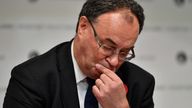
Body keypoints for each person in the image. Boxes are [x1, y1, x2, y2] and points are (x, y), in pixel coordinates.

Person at [3, 0, 155, 108]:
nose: (115, 62)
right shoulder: (32, 79)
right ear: (83, 27)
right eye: (108, 47)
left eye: (124, 52)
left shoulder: (140, 83)